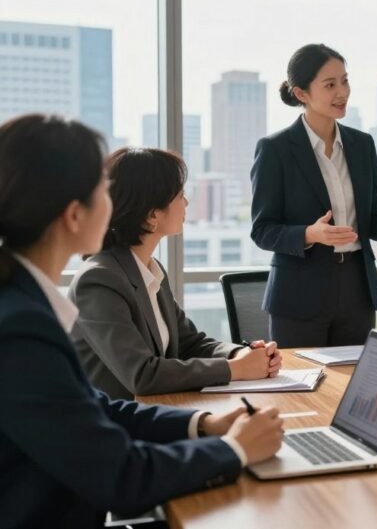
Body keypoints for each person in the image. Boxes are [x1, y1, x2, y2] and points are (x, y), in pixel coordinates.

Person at [0, 114, 283, 528]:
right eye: (103, 191)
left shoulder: (24, 309)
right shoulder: (20, 329)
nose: (114, 204)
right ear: (74, 215)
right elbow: (122, 475)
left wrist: (203, 424)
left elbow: (97, 408)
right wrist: (235, 450)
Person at [251, 44, 377, 349]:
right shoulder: (275, 150)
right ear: (301, 94)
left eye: (345, 81)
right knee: (303, 392)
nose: (342, 92)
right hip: (299, 295)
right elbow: (262, 230)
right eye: (330, 85)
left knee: (356, 389)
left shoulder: (362, 145)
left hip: (356, 291)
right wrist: (311, 234)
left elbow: (370, 219)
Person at [68, 147, 281, 400]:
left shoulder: (149, 268)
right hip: (116, 428)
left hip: (159, 410)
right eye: (180, 194)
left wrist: (240, 354)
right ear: (152, 216)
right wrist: (235, 369)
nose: (186, 202)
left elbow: (190, 343)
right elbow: (142, 375)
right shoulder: (99, 281)